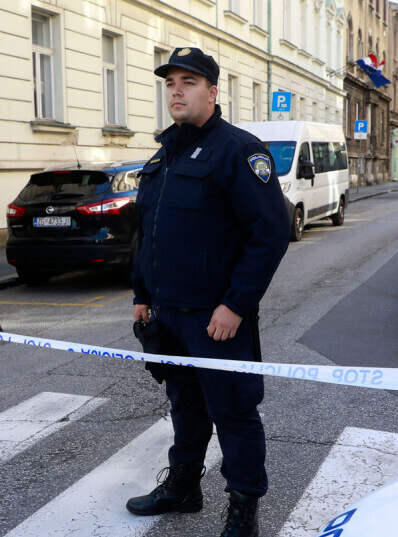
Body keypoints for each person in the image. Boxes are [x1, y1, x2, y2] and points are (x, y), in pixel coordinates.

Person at [125, 47, 289, 537]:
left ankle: (243, 511)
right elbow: (148, 230)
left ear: (213, 92)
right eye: (171, 82)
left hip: (216, 319)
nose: (176, 90)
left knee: (234, 412)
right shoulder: (164, 152)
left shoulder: (239, 150)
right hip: (168, 313)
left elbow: (270, 233)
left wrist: (236, 304)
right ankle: (183, 486)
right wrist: (141, 292)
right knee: (185, 405)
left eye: (189, 82)